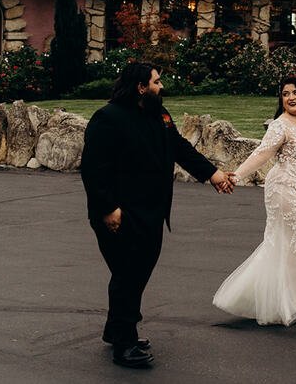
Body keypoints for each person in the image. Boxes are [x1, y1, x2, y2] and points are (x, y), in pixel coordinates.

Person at [81, 62, 235, 369]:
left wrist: (213, 174)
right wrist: (108, 208)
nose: (161, 86)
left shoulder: (159, 115)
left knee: (135, 274)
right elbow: (93, 169)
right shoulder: (108, 118)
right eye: (157, 82)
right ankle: (124, 344)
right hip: (120, 214)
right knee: (128, 274)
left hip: (152, 212)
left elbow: (178, 148)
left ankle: (117, 330)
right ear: (141, 87)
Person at [213, 76, 296, 325]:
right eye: (285, 94)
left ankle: (273, 298)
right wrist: (237, 175)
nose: (291, 98)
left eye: (295, 92)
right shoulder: (280, 125)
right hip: (287, 190)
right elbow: (262, 153)